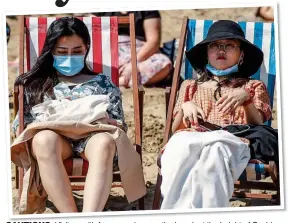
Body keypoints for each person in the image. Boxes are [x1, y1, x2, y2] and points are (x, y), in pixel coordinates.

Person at [11, 17, 145, 213]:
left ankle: (89, 215)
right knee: (43, 140)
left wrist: (105, 121)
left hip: (92, 139)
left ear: (87, 48)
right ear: (51, 50)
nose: (69, 57)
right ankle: (71, 216)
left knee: (104, 143)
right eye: (62, 52)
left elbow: (120, 125)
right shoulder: (37, 83)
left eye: (76, 51)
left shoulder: (102, 83)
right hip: (56, 142)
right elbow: (20, 127)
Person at [160, 20, 273, 209]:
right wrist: (185, 107)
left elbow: (258, 124)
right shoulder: (190, 86)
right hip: (191, 140)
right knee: (177, 148)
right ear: (207, 53)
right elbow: (175, 130)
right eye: (215, 45)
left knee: (215, 151)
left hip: (232, 141)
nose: (221, 50)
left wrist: (246, 100)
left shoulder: (252, 87)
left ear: (241, 54)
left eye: (229, 45)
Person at [92, 11, 172, 88]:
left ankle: (120, 81)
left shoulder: (148, 10)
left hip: (140, 52)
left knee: (163, 63)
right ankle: (125, 80)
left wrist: (133, 64)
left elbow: (153, 42)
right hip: (110, 49)